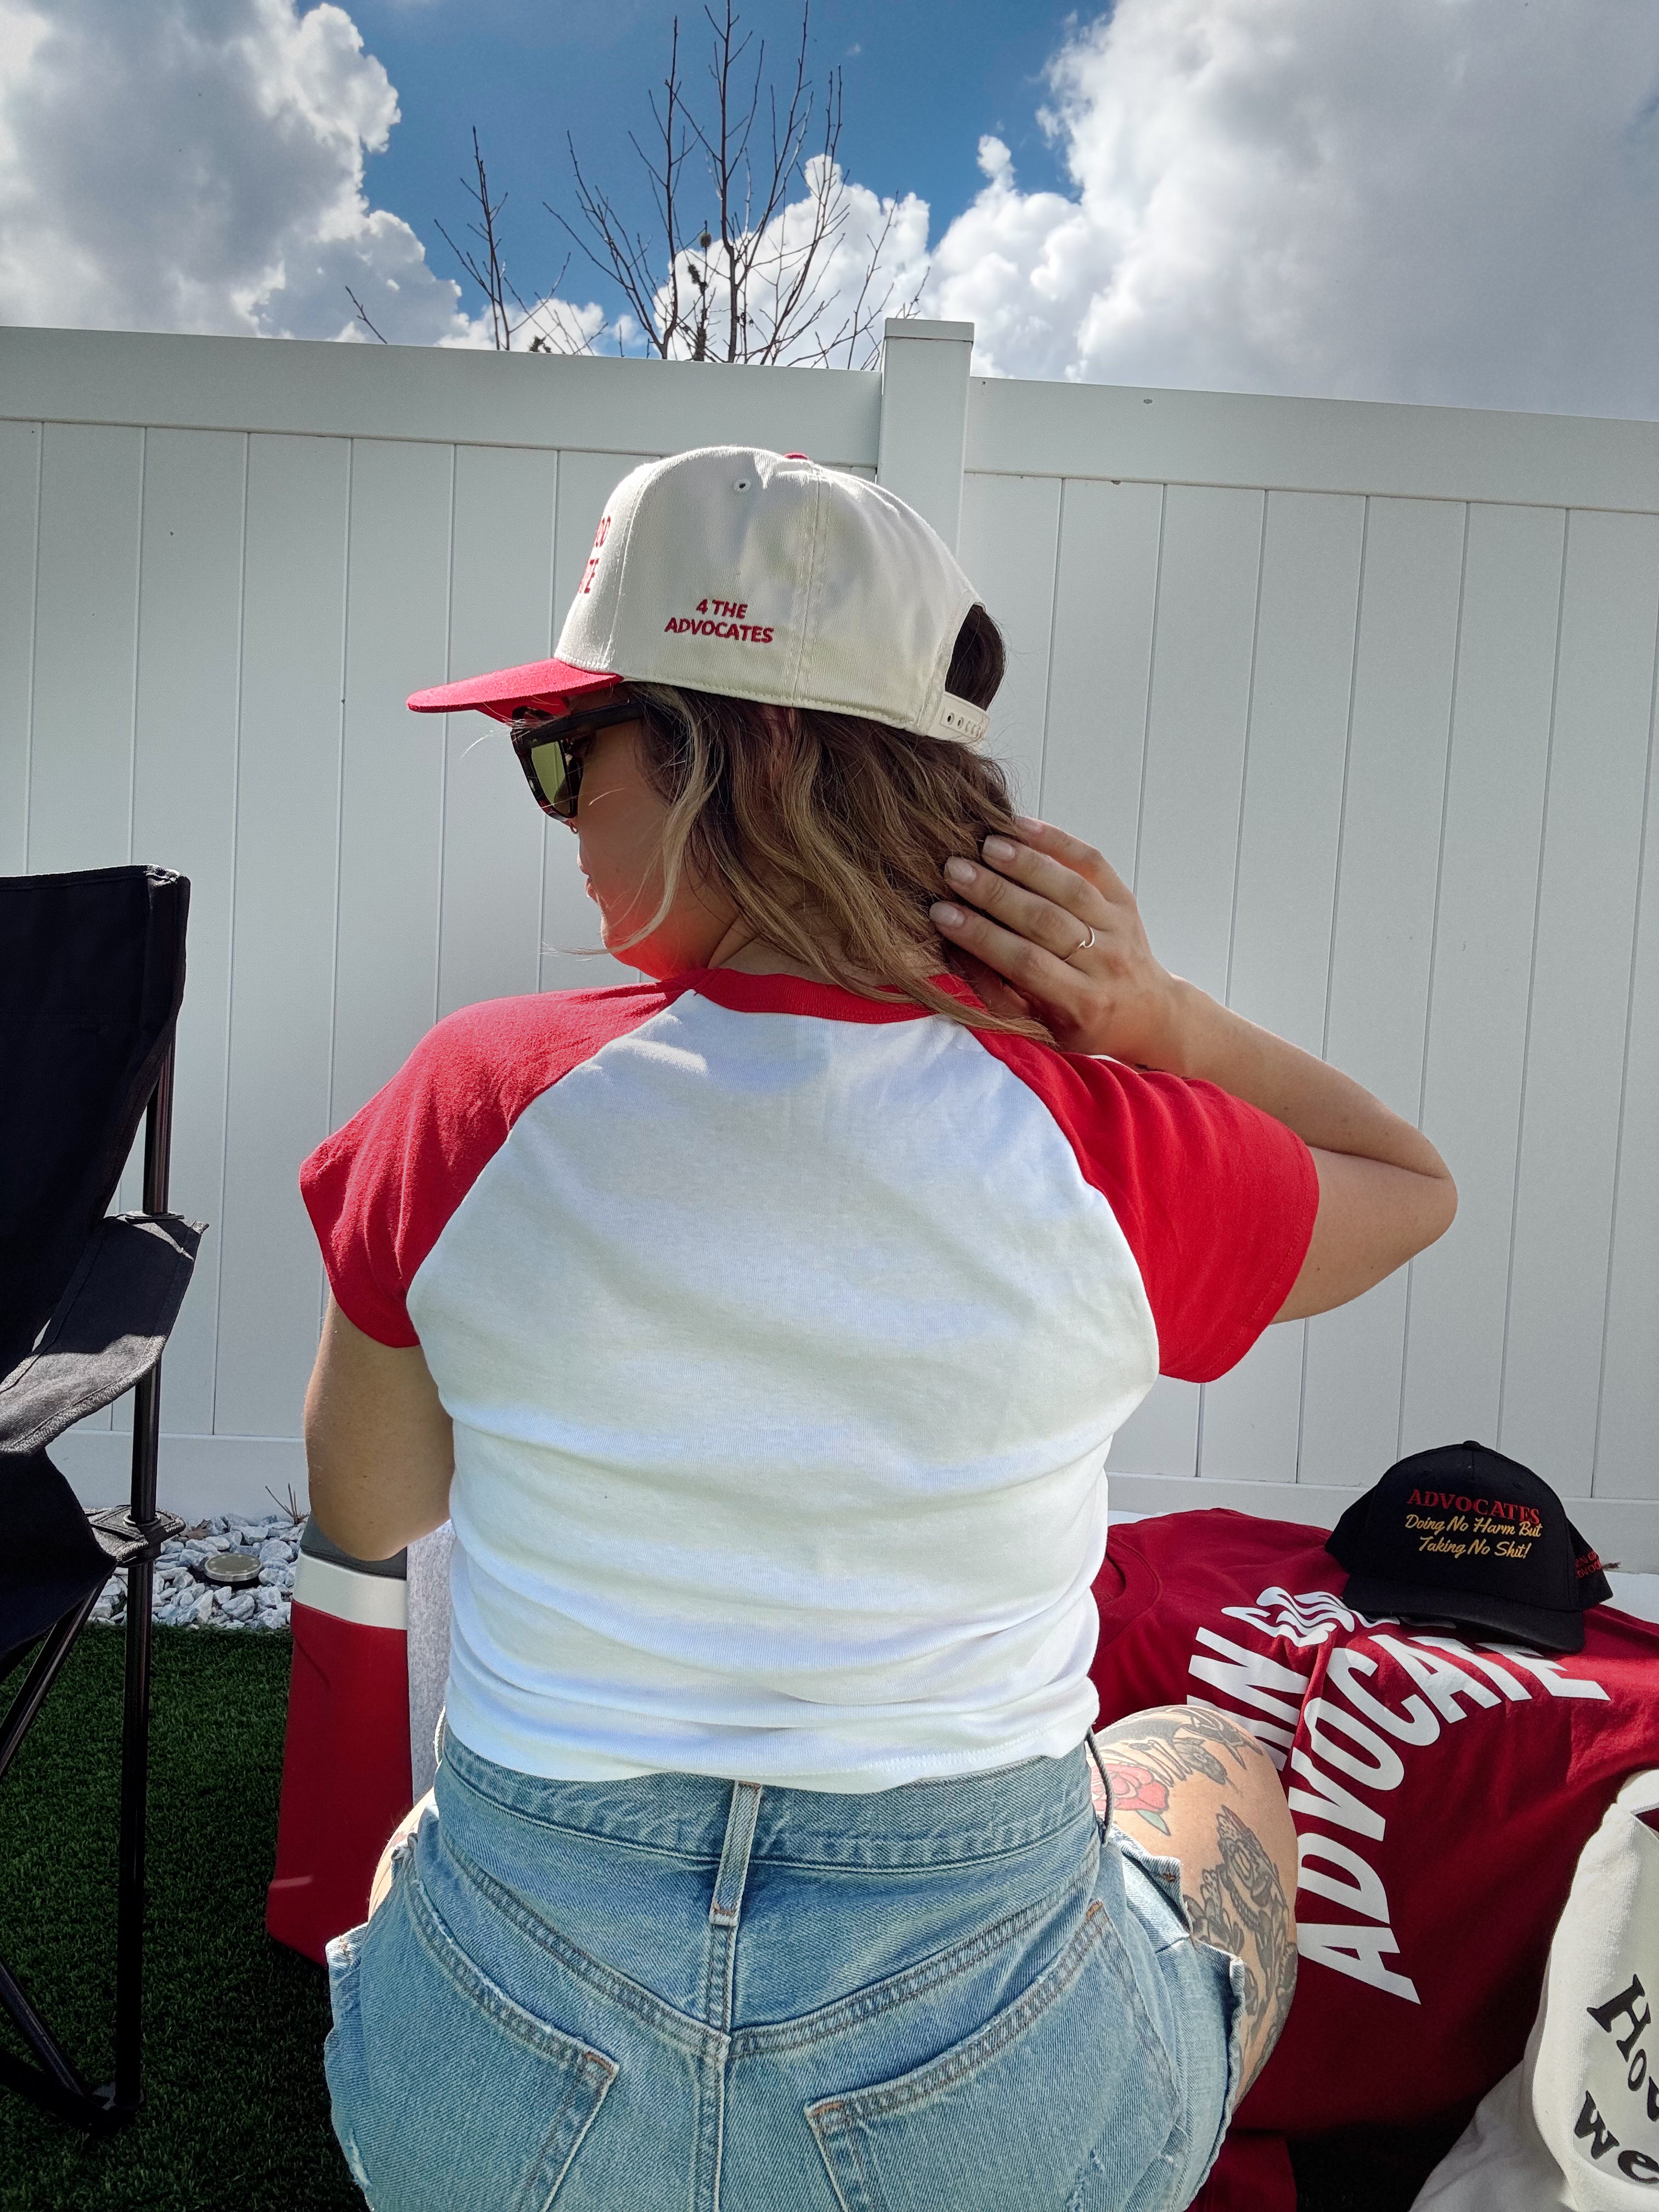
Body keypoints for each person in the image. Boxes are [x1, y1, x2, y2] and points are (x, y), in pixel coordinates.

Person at [301, 446, 1456, 2212]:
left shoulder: (471, 1105)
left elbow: (369, 1516)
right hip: (980, 2106)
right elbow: (1408, 1177)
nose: (552, 805)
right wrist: (1164, 1019)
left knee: (420, 1845)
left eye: (560, 756)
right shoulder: (1106, 1145)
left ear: (723, 757)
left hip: (508, 2090)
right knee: (1206, 1764)